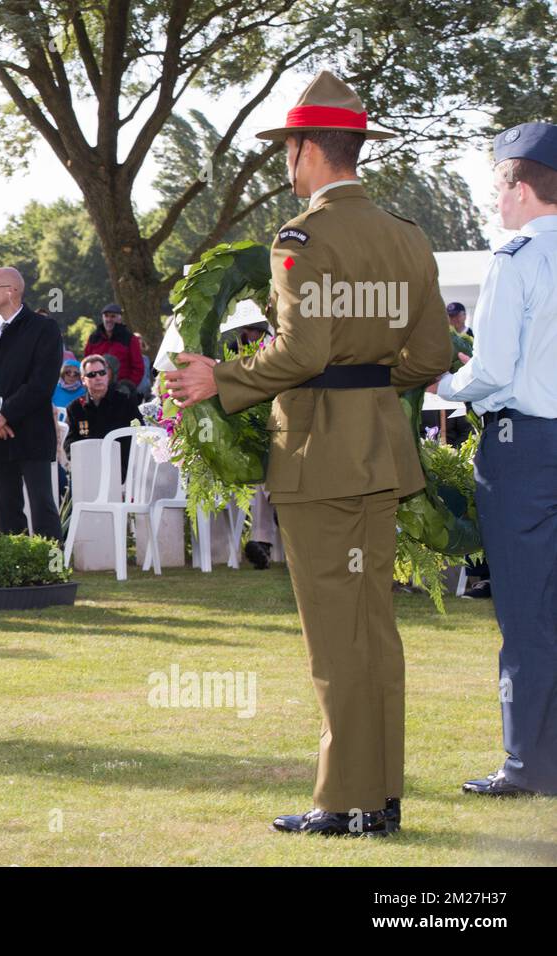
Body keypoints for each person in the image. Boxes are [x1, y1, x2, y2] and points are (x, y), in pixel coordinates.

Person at [167, 70, 452, 837]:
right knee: (373, 629)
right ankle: (381, 797)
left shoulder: (303, 238)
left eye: (286, 150)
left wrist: (217, 378)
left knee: (335, 636)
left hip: (320, 455)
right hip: (380, 454)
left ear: (302, 149)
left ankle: (345, 803)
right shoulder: (407, 237)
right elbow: (432, 354)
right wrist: (368, 383)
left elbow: (300, 351)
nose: (285, 164)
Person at [432, 122, 557, 798]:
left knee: (523, 607)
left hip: (526, 446)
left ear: (520, 185)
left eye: (498, 185)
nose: (495, 200)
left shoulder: (515, 258)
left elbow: (494, 370)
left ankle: (528, 764)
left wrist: (445, 384)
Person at [0, 266, 63, 541]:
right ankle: (16, 571)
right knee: (7, 508)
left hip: (32, 431)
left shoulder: (43, 328)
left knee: (42, 505)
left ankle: (51, 571)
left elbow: (41, 383)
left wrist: (5, 414)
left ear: (11, 291)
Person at [64, 354, 139, 455]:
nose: (98, 377)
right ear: (83, 380)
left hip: (121, 464)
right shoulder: (74, 408)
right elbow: (69, 443)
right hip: (87, 464)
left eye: (102, 373)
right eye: (92, 374)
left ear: (107, 376)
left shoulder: (126, 402)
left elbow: (140, 433)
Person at [85, 303, 145, 389]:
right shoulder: (94, 338)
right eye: (106, 316)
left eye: (113, 316)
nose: (109, 319)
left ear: (120, 319)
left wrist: (129, 386)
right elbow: (86, 362)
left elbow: (138, 367)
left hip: (122, 389)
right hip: (97, 387)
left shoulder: (130, 339)